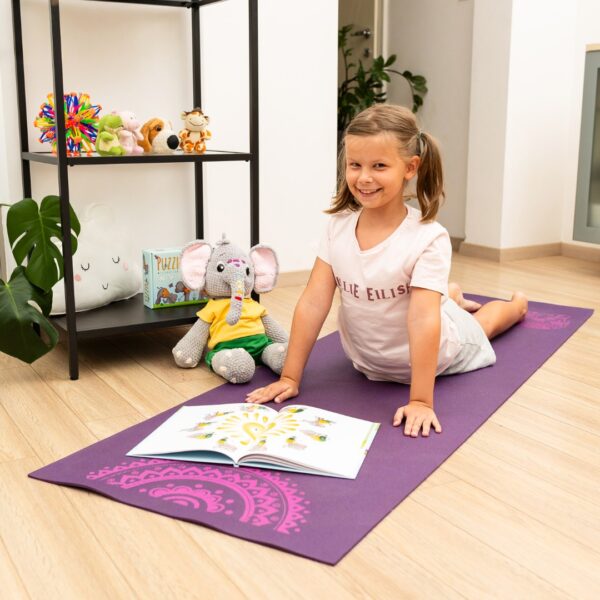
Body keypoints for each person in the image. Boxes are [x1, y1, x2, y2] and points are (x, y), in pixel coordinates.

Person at [246, 104, 528, 437]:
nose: (364, 177)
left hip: (437, 354)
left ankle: (516, 305)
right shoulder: (337, 227)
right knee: (436, 301)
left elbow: (423, 320)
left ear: (410, 167)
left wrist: (420, 401)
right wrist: (290, 376)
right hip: (366, 361)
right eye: (355, 165)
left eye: (379, 166)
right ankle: (449, 296)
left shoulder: (428, 238)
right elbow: (313, 302)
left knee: (482, 324)